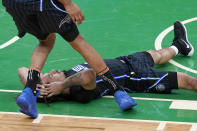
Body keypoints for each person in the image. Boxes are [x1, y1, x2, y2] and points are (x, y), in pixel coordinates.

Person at [3, 0, 134, 118]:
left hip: (13, 5)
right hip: (41, 3)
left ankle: (29, 91)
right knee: (80, 43)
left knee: (45, 43)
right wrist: (68, 3)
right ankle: (117, 91)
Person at [18, 21, 196, 105]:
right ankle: (178, 47)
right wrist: (61, 85)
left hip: (124, 62)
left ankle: (179, 46)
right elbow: (88, 75)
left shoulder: (61, 78)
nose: (49, 71)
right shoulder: (78, 92)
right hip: (136, 77)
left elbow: (22, 70)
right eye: (48, 77)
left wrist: (32, 84)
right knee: (188, 81)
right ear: (53, 88)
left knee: (154, 54)